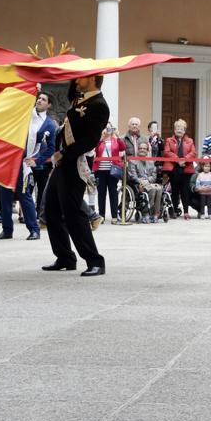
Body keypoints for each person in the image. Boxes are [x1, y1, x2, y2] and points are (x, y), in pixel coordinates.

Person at [42, 74, 109, 276]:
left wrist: (64, 153)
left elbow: (90, 140)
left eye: (81, 77)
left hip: (76, 161)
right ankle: (65, 257)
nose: (77, 80)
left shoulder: (99, 105)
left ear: (93, 79)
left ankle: (95, 261)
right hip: (64, 161)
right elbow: (73, 86)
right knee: (51, 209)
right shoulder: (79, 97)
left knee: (73, 213)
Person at [125, 122, 163, 222]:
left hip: (149, 183)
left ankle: (155, 213)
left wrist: (147, 180)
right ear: (138, 150)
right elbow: (132, 175)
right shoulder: (133, 161)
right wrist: (142, 181)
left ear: (147, 151)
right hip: (138, 185)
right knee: (152, 190)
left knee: (159, 189)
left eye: (144, 149)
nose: (142, 150)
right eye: (140, 148)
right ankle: (146, 213)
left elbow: (154, 175)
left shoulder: (151, 162)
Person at [28, 92, 57, 210]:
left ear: (49, 104)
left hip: (43, 164)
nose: (39, 100)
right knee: (26, 190)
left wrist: (38, 161)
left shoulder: (50, 124)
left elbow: (52, 147)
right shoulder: (27, 117)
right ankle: (24, 213)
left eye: (43, 99)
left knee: (42, 189)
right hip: (26, 161)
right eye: (39, 98)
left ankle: (39, 213)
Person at [163, 120, 197, 221]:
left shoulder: (189, 141)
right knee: (175, 191)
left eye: (181, 128)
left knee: (185, 191)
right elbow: (166, 152)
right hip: (174, 168)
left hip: (186, 168)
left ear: (184, 130)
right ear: (174, 129)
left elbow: (193, 152)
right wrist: (178, 160)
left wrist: (184, 159)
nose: (179, 130)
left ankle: (186, 212)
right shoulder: (169, 140)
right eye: (177, 128)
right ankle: (174, 210)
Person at [94, 123, 124, 224]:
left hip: (113, 170)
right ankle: (101, 215)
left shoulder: (115, 140)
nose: (108, 130)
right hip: (100, 170)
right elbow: (94, 148)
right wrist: (101, 138)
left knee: (113, 192)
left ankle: (114, 216)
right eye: (106, 128)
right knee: (101, 193)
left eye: (109, 128)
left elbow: (123, 147)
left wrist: (118, 136)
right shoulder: (100, 140)